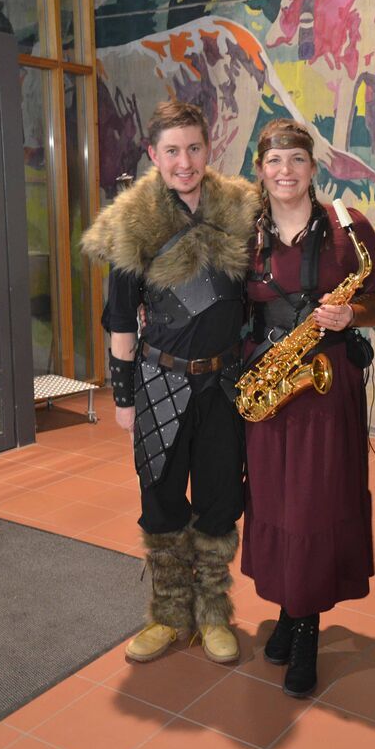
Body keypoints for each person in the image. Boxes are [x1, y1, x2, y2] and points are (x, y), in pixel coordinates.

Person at [81, 101, 258, 664]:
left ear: (209, 148)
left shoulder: (241, 209)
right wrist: (124, 397)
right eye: (173, 151)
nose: (185, 162)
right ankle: (168, 615)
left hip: (225, 384)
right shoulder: (132, 222)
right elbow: (119, 320)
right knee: (159, 501)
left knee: (220, 500)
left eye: (194, 148)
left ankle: (213, 615)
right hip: (159, 383)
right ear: (154, 155)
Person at [240, 119, 375, 697]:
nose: (286, 171)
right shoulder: (247, 236)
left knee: (313, 505)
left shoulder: (348, 229)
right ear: (260, 170)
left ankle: (304, 628)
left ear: (313, 167)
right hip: (270, 382)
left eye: (297, 160)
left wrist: (351, 314)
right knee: (275, 503)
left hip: (327, 387)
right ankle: (290, 609)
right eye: (274, 161)